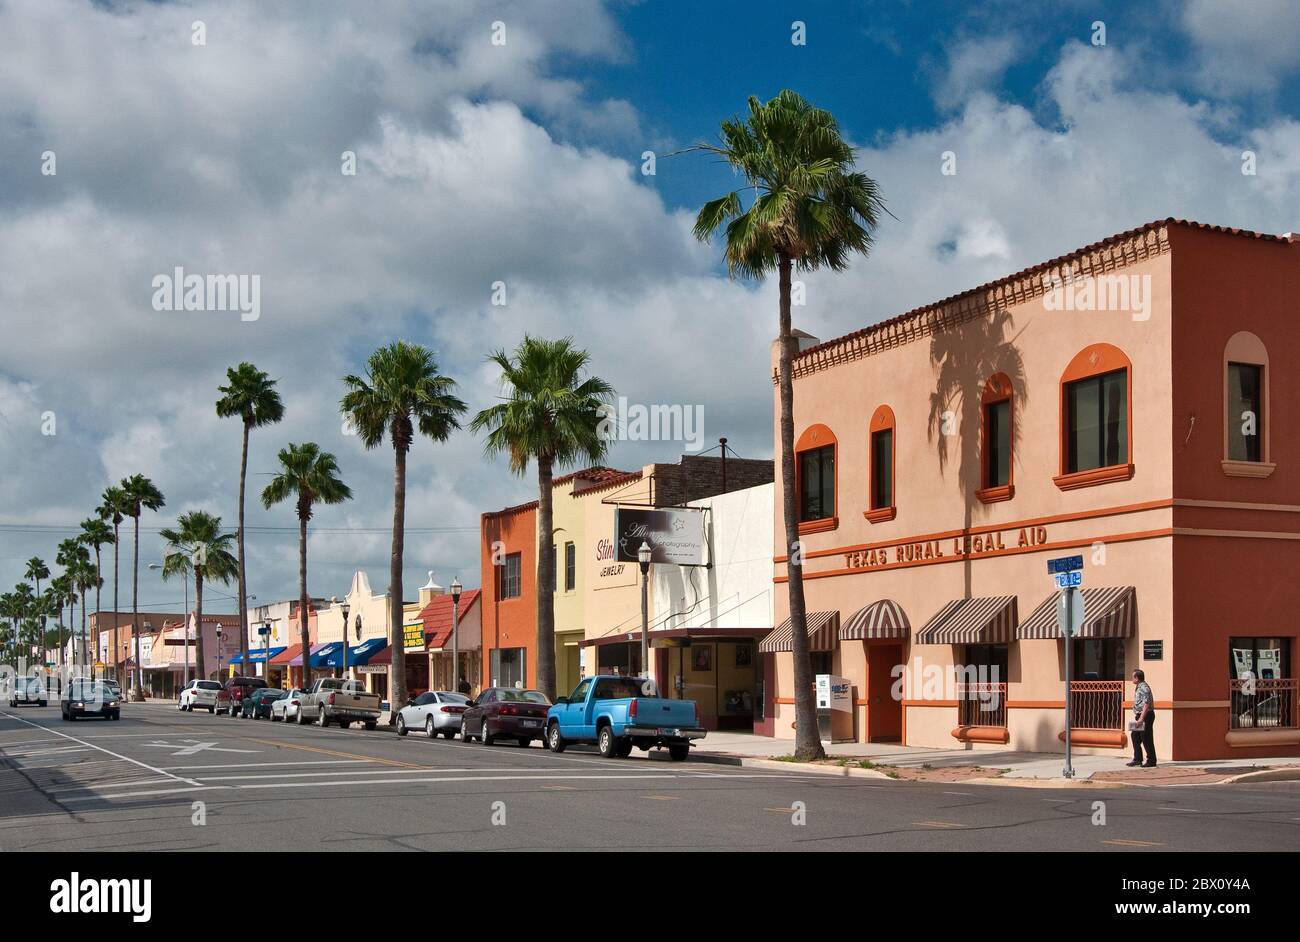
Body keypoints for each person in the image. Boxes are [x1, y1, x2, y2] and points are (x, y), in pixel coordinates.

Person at [1127, 669, 1157, 768]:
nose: (1132, 679)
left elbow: (1147, 704)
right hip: (1140, 715)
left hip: (1146, 715)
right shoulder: (1139, 686)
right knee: (1135, 736)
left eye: (1133, 677)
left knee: (1146, 738)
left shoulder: (1144, 687)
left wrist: (1141, 718)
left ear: (1137, 677)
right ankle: (1137, 759)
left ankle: (1151, 760)